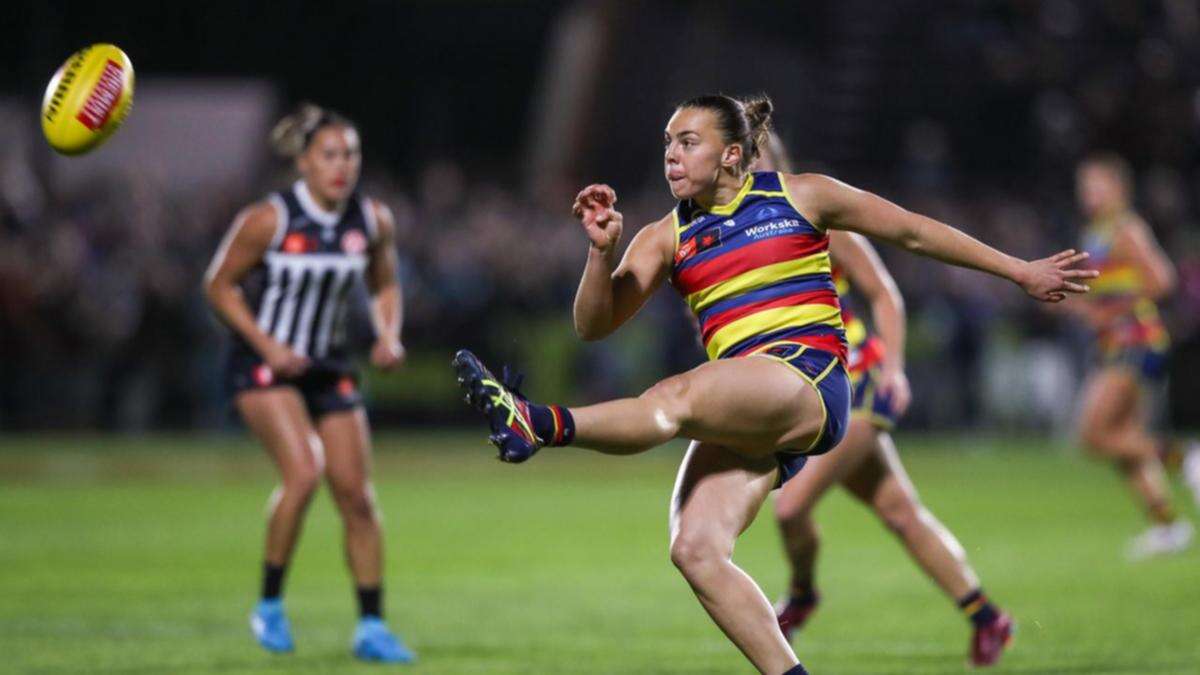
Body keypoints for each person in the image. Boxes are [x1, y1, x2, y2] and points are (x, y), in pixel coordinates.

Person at [452, 94, 1093, 675]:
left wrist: (1019, 271)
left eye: (688, 141)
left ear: (731, 154)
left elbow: (912, 230)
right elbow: (594, 325)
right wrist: (599, 253)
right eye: (668, 142)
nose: (672, 154)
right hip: (749, 407)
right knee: (696, 550)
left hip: (806, 379)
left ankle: (537, 423)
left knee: (678, 396)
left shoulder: (802, 195)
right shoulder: (664, 235)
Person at [755, 133, 1012, 667]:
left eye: (751, 155)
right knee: (899, 511)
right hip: (817, 390)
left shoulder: (815, 213)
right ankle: (987, 617)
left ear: (774, 163)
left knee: (792, 506)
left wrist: (894, 366)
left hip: (859, 380)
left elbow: (884, 292)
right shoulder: (742, 240)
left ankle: (801, 598)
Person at [203, 103, 413, 663]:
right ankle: (268, 605)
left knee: (358, 497)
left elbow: (385, 283)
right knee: (304, 473)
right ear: (304, 162)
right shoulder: (267, 220)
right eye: (329, 155)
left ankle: (371, 626)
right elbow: (218, 286)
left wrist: (387, 335)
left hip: (329, 365)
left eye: (350, 155)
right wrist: (267, 344)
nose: (342, 166)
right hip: (264, 366)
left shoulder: (371, 220)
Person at [1071, 153, 1199, 559]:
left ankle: (1187, 457)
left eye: (1097, 185)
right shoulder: (1097, 230)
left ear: (1119, 189)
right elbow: (1112, 287)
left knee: (1094, 435)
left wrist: (1109, 312)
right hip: (1116, 342)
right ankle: (1168, 527)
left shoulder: (1127, 228)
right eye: (1084, 186)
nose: (1089, 194)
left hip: (1135, 340)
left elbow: (1162, 280)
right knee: (1123, 440)